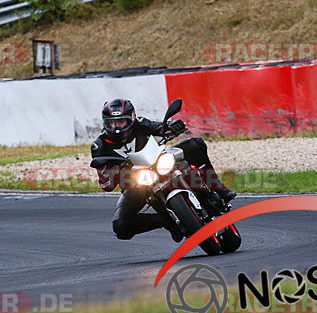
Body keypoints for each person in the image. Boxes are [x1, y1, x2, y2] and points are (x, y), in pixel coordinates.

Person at [91, 98, 236, 242]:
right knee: (121, 226)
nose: (117, 127)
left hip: (159, 165)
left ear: (131, 118)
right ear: (105, 122)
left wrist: (173, 126)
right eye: (112, 122)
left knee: (195, 145)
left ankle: (217, 188)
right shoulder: (99, 146)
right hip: (136, 184)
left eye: (121, 122)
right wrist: (116, 172)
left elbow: (159, 128)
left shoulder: (140, 124)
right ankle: (166, 220)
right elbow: (106, 184)